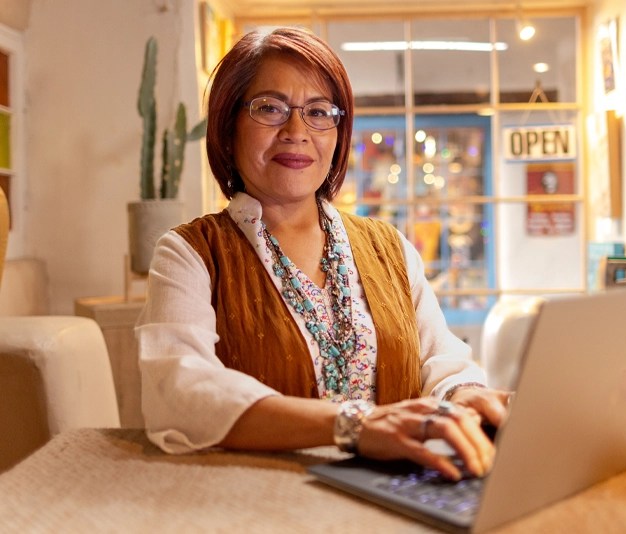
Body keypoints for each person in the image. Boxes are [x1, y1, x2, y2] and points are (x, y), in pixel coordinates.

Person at [136, 26, 510, 481]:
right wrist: (355, 425)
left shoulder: (388, 247)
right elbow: (181, 389)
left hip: (399, 490)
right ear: (227, 125)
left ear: (339, 133)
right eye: (269, 108)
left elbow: (441, 359)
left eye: (318, 112)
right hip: (257, 497)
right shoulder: (190, 253)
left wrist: (465, 394)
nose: (296, 131)